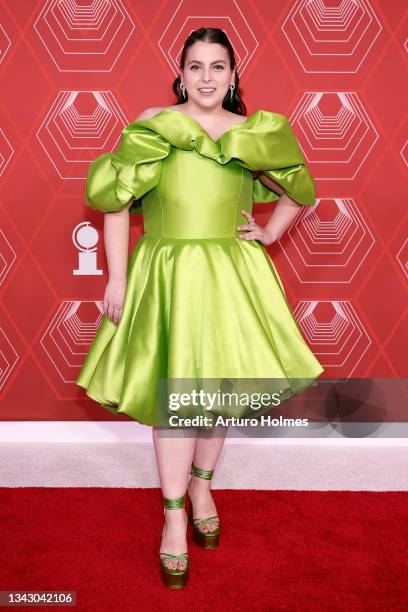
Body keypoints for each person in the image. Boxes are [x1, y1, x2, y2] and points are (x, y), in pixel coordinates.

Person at [76, 27, 324, 589]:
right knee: (176, 402)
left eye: (218, 66)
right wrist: (116, 278)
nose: (207, 77)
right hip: (167, 273)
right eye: (196, 67)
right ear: (180, 73)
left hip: (230, 273)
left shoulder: (254, 132)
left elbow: (298, 189)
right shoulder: (155, 125)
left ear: (233, 74)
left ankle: (203, 484)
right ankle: (171, 517)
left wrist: (266, 234)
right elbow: (116, 202)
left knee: (215, 394)